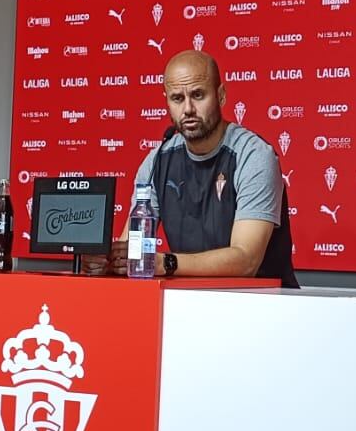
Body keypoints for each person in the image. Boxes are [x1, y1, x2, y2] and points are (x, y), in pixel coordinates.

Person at [80, 51, 297, 286]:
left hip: (262, 301)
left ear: (221, 95)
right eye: (177, 98)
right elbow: (133, 247)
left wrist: (166, 263)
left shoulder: (253, 155)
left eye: (198, 95)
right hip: (188, 299)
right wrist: (110, 262)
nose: (188, 109)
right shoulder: (157, 161)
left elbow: (246, 260)